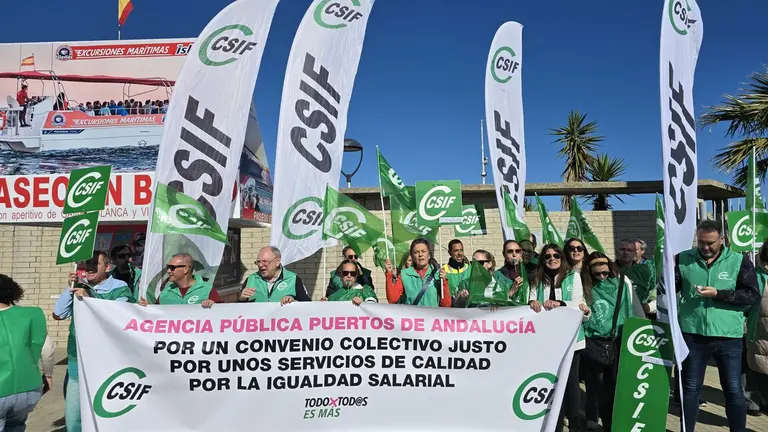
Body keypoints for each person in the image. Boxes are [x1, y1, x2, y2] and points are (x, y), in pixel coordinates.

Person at [676, 220, 759, 432]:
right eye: (701, 242)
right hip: (693, 335)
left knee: (733, 390)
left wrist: (719, 294)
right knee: (691, 390)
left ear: (721, 239)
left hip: (727, 337)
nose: (705, 247)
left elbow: (751, 295)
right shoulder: (682, 259)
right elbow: (666, 288)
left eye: (711, 243)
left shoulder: (739, 261)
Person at [53, 251, 135, 432]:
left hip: (108, 360)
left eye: (94, 264)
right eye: (87, 264)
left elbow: (119, 316)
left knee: (106, 410)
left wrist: (90, 297)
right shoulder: (80, 286)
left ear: (107, 267)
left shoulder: (120, 287)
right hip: (77, 358)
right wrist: (71, 288)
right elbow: (58, 314)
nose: (89, 268)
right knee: (73, 416)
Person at [527, 244, 590, 432]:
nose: (552, 259)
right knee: (551, 382)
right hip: (547, 341)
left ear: (562, 258)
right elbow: (529, 301)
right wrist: (532, 303)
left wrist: (560, 303)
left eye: (556, 255)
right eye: (547, 256)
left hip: (571, 339)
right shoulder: (536, 279)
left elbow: (579, 304)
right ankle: (554, 424)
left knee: (571, 382)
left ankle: (576, 425)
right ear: (542, 260)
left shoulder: (573, 277)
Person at [581, 252, 645, 431]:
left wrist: (640, 333)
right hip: (596, 342)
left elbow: (633, 308)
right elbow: (584, 316)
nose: (601, 277)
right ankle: (606, 424)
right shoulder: (585, 285)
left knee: (619, 388)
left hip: (619, 340)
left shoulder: (622, 282)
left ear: (610, 268)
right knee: (600, 391)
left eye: (605, 273)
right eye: (597, 274)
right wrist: (585, 314)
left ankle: (619, 424)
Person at [0, 274, 55, 431]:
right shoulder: (32, 315)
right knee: (17, 426)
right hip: (28, 388)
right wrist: (48, 375)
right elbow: (48, 350)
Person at [384, 238, 451, 307]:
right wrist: (389, 273)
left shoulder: (438, 274)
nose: (420, 254)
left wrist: (444, 283)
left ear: (429, 254)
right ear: (412, 256)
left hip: (432, 316)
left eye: (423, 251)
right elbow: (392, 300)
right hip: (412, 317)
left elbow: (446, 305)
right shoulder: (404, 275)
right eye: (416, 252)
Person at [139, 253, 221, 307]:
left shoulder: (208, 290)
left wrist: (213, 305)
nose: (168, 271)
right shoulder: (165, 292)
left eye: (172, 268)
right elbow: (156, 315)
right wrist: (148, 307)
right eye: (168, 267)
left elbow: (224, 315)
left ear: (186, 269)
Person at [240, 246, 311, 304]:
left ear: (277, 261)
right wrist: (241, 299)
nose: (261, 265)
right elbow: (238, 311)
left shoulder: (293, 279)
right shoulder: (251, 279)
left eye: (265, 261)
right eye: (258, 262)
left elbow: (307, 305)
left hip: (283, 321)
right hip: (258, 321)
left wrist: (294, 301)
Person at [746, 239, 768, 414]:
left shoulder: (756, 275)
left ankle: (754, 404)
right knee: (755, 370)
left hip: (757, 334)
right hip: (758, 333)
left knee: (756, 371)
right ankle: (755, 403)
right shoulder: (757, 276)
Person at [616, 239, 657, 319]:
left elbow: (654, 293)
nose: (626, 252)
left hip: (640, 318)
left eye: (630, 250)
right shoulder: (610, 270)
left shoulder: (648, 270)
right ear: (617, 251)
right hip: (618, 317)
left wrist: (650, 307)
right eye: (622, 249)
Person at [494, 240, 528, 305]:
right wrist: (512, 290)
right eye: (510, 251)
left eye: (517, 251)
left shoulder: (528, 272)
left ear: (521, 253)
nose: (514, 254)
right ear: (504, 254)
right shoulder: (498, 275)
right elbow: (496, 300)